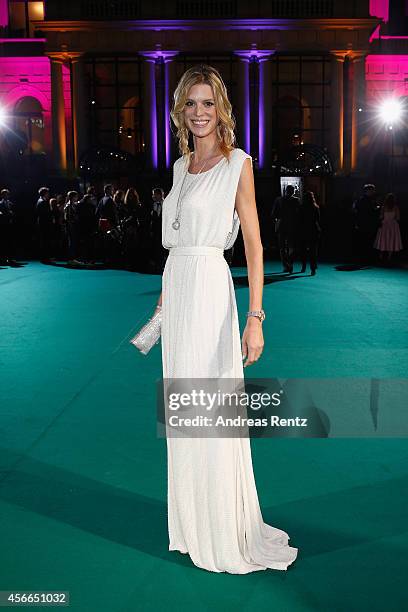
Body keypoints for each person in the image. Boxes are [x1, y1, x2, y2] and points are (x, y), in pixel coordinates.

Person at [154, 64, 298, 573]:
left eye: (207, 103)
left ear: (221, 109)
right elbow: (176, 244)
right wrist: (163, 305)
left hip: (213, 297)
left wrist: (255, 316)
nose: (199, 113)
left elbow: (256, 246)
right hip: (181, 294)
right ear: (179, 110)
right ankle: (194, 525)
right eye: (190, 103)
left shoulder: (238, 163)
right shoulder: (177, 168)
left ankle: (223, 526)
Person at [272, 184, 300, 273]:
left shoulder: (278, 200)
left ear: (285, 191)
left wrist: (277, 221)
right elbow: (299, 214)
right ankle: (290, 263)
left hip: (281, 226)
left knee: (282, 247)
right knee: (292, 247)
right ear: (293, 191)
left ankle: (286, 265)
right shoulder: (296, 200)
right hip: (293, 226)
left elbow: (273, 214)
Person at [352, 183, 380, 264]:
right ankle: (365, 259)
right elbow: (369, 211)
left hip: (363, 223)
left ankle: (363, 258)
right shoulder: (367, 200)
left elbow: (356, 211)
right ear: (368, 191)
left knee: (364, 241)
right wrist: (377, 208)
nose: (373, 192)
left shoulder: (361, 199)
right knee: (366, 241)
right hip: (366, 223)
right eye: (372, 190)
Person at [373, 193, 403, 264]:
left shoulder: (383, 207)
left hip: (385, 224)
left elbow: (380, 217)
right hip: (393, 225)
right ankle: (389, 257)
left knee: (383, 239)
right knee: (391, 240)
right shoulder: (396, 207)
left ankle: (381, 256)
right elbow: (398, 218)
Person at [298, 191, 321, 275]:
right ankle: (313, 268)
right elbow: (318, 220)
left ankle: (303, 266)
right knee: (313, 250)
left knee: (303, 250)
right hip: (313, 230)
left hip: (304, 230)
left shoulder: (301, 207)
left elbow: (299, 220)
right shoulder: (316, 207)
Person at [35, 187, 54, 263]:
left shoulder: (41, 201)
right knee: (45, 241)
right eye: (47, 193)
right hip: (44, 224)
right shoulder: (42, 202)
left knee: (45, 241)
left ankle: (46, 257)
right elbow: (45, 214)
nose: (48, 194)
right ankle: (45, 258)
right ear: (45, 193)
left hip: (43, 224)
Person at [150, 187, 166, 272]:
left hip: (164, 230)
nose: (153, 196)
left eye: (154, 194)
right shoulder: (152, 205)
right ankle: (157, 264)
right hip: (155, 231)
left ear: (160, 194)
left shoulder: (166, 204)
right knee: (156, 248)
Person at [0, 188, 18, 266]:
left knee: (10, 242)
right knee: (4, 242)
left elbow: (14, 213)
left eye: (7, 194)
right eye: (4, 194)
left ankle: (10, 258)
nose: (6, 196)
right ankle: (3, 258)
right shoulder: (0, 203)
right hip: (3, 225)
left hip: (10, 225)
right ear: (2, 195)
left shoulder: (10, 203)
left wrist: (11, 214)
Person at [63, 190, 80, 264]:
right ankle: (71, 259)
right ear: (73, 197)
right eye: (76, 196)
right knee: (71, 242)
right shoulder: (68, 206)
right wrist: (71, 224)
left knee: (73, 242)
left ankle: (73, 258)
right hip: (70, 227)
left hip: (73, 226)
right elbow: (67, 218)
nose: (77, 198)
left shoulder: (73, 204)